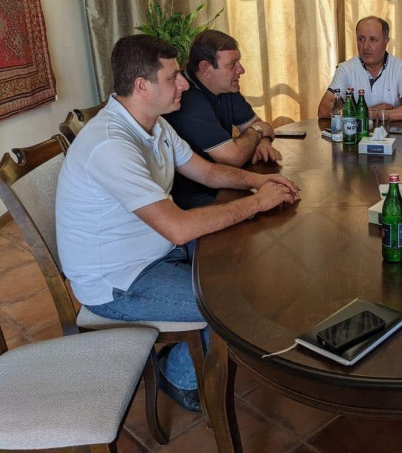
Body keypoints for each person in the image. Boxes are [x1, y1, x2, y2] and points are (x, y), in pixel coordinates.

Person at [55, 35, 300, 412]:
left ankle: (193, 349)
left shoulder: (153, 124)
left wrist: (260, 181)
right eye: (173, 77)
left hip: (155, 250)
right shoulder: (111, 145)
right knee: (231, 304)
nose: (184, 84)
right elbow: (179, 228)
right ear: (142, 86)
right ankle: (179, 375)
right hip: (119, 282)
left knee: (250, 261)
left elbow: (207, 172)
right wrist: (256, 202)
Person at [164, 30, 282, 209]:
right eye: (233, 64)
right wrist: (258, 132)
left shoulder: (226, 87)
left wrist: (263, 142)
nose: (241, 70)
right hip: (194, 198)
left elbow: (260, 125)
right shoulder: (187, 100)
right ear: (205, 68)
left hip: (224, 182)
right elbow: (233, 157)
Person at [317, 16, 402, 120]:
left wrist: (376, 114)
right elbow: (324, 109)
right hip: (356, 132)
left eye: (373, 39)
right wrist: (367, 113)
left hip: (391, 131)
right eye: (361, 39)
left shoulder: (400, 67)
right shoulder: (345, 69)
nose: (366, 46)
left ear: (386, 41)